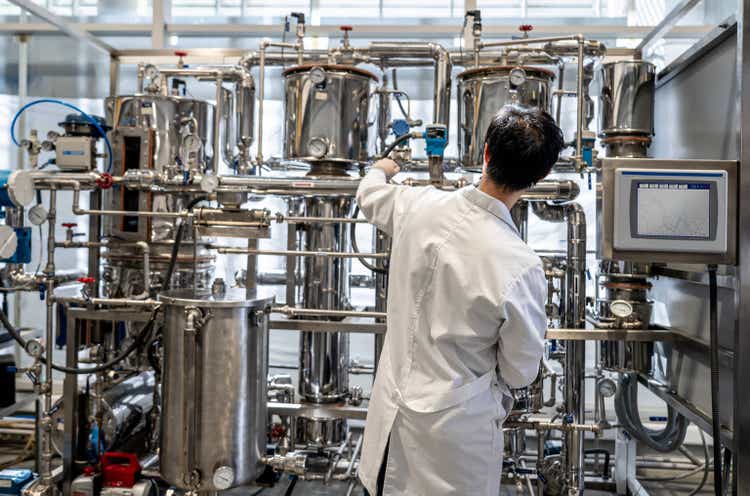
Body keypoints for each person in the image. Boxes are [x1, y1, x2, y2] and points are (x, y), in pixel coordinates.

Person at [355, 105, 565, 496]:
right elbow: (521, 371)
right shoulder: (520, 265)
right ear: (541, 176)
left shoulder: (418, 205)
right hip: (453, 441)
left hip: (389, 424)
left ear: (485, 152)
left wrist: (384, 166)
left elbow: (369, 196)